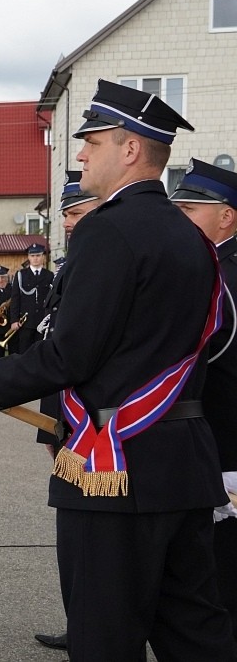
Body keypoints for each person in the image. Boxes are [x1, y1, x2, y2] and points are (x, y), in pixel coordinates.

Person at [0, 79, 234, 659]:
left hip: (114, 467)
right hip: (187, 463)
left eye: (92, 142)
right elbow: (213, 341)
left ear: (129, 150)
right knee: (196, 635)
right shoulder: (193, 239)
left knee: (104, 638)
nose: (79, 153)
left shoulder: (107, 230)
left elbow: (72, 354)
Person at [31, 171, 101, 652]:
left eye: (76, 213)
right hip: (64, 416)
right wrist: (49, 428)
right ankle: (81, 624)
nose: (70, 224)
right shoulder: (75, 263)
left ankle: (96, 629)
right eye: (66, 216)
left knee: (94, 537)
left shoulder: (105, 262)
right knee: (71, 535)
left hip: (99, 430)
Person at [172, 158, 237, 644]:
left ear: (226, 216)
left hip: (226, 444)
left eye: (192, 209)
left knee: (221, 576)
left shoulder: (224, 276)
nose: (182, 218)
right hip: (212, 442)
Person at [5, 243, 53, 355]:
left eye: (38, 255)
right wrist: (14, 320)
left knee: (41, 352)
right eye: (32, 256)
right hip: (25, 322)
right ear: (28, 257)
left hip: (42, 321)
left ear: (43, 257)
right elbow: (15, 299)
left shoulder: (49, 275)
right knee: (24, 352)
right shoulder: (21, 275)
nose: (35, 258)